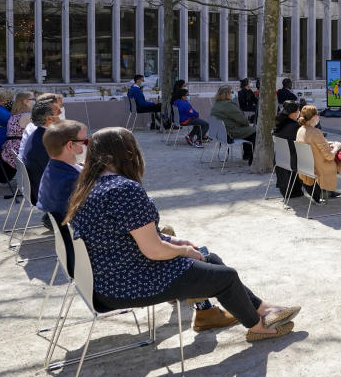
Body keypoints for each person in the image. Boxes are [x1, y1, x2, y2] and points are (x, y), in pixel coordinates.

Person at [64, 127, 301, 340]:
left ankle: (263, 309)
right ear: (127, 153)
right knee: (226, 277)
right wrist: (184, 250)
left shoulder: (89, 185)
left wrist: (174, 241)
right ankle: (257, 327)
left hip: (112, 276)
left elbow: (126, 234)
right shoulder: (123, 189)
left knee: (211, 258)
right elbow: (154, 250)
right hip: (129, 282)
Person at [20, 99, 62, 225]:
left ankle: (51, 218)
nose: (60, 113)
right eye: (58, 111)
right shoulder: (44, 140)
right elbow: (55, 173)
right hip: (44, 191)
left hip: (37, 184)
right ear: (49, 118)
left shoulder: (39, 133)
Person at [37, 120, 87, 219]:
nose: (87, 145)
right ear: (70, 145)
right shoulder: (72, 181)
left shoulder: (52, 168)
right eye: (84, 141)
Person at [211, 85, 256, 165]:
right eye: (232, 92)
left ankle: (247, 155)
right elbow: (243, 120)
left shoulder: (217, 104)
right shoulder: (228, 105)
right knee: (256, 132)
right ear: (227, 94)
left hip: (221, 134)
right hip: (230, 133)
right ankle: (253, 159)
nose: (233, 94)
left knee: (249, 130)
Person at [273, 101, 304, 199]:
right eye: (298, 111)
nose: (299, 114)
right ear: (293, 113)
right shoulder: (294, 127)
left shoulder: (280, 123)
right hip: (292, 162)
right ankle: (325, 190)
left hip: (280, 161)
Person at [2, 91, 35, 169]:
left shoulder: (14, 115)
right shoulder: (27, 116)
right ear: (26, 101)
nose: (35, 101)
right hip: (19, 152)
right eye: (33, 99)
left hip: (9, 150)